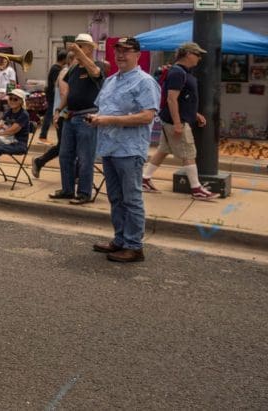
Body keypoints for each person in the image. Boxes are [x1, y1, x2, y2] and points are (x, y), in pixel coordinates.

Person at [88, 37, 160, 263]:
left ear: (137, 54)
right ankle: (120, 240)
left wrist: (108, 119)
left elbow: (148, 116)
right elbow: (103, 108)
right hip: (109, 147)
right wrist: (95, 118)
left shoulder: (144, 82)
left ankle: (134, 246)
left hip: (129, 149)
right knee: (116, 198)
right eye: (117, 50)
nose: (120, 55)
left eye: (126, 51)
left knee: (132, 198)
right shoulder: (110, 81)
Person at [142, 42, 218, 201]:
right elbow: (172, 99)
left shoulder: (181, 71)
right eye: (198, 54)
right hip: (176, 121)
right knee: (189, 153)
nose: (199, 58)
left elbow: (183, 99)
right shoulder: (178, 73)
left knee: (163, 150)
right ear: (188, 54)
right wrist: (178, 123)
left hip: (171, 118)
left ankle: (144, 179)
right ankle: (196, 188)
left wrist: (194, 113)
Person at [49, 33, 105, 204]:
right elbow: (68, 93)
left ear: (90, 48)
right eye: (77, 45)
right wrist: (59, 109)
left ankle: (84, 193)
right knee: (65, 155)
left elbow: (95, 73)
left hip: (86, 116)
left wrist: (78, 53)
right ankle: (67, 189)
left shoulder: (96, 65)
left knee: (85, 157)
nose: (77, 48)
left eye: (82, 45)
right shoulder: (73, 69)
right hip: (71, 116)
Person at [38, 50, 68, 143]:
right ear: (64, 59)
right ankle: (43, 135)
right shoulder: (56, 69)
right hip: (52, 95)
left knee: (49, 114)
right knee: (49, 114)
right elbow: (57, 83)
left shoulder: (56, 68)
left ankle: (43, 135)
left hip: (52, 94)